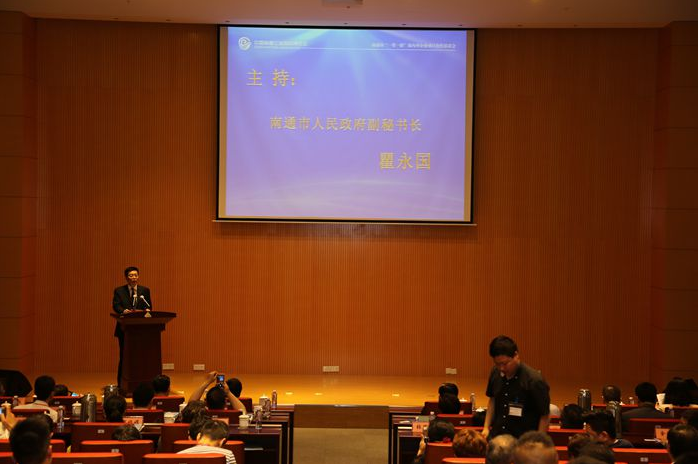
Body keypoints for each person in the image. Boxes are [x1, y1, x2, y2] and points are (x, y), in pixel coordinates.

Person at [483, 335, 551, 438]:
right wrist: (486, 427)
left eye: (505, 363)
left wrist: (537, 441)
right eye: (497, 364)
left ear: (516, 355)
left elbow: (545, 415)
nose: (501, 368)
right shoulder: (495, 373)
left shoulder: (534, 380)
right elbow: (493, 400)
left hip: (523, 440)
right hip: (498, 437)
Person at [112, 266, 152, 387]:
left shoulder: (144, 290)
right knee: (124, 356)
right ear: (126, 277)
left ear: (138, 276)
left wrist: (147, 310)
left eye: (135, 275)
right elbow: (116, 306)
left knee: (141, 357)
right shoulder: (119, 291)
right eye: (131, 275)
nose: (134, 277)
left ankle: (141, 382)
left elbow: (148, 306)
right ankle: (121, 384)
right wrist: (123, 311)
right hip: (124, 329)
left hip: (141, 329)